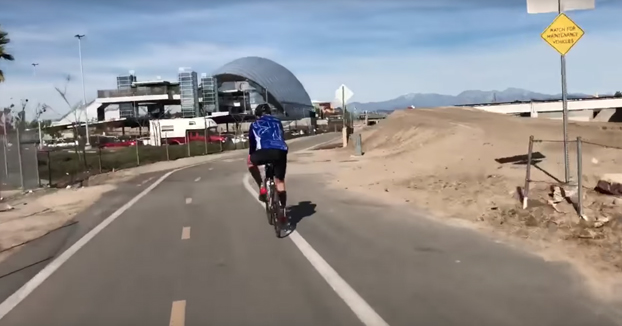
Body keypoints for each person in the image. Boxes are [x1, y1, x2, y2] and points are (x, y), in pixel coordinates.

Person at [247, 103, 289, 216]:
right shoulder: (277, 121)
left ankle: (261, 186)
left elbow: (252, 145)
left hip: (262, 152)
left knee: (250, 162)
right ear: (270, 113)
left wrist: (252, 154)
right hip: (280, 150)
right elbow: (281, 136)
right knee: (279, 181)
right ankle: (283, 210)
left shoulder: (254, 124)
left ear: (257, 115)